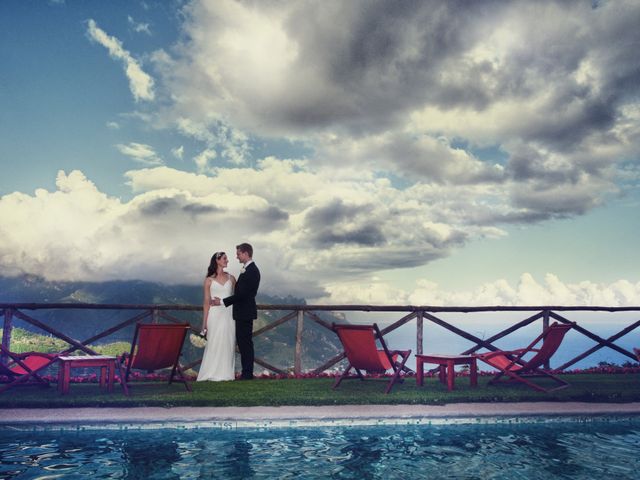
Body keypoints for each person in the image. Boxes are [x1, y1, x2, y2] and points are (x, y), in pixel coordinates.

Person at [212, 243, 260, 380]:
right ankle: (246, 373)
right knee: (244, 343)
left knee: (245, 344)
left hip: (245, 313)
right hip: (242, 313)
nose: (237, 256)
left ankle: (247, 374)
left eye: (238, 253)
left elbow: (242, 295)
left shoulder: (252, 271)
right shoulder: (247, 269)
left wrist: (221, 301)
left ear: (245, 253)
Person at [197, 251, 236, 381]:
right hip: (214, 315)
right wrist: (204, 324)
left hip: (229, 314)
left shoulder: (232, 278)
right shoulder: (209, 280)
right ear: (217, 260)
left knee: (228, 341)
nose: (227, 261)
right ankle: (210, 372)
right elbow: (206, 303)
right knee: (214, 342)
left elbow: (237, 297)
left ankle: (226, 373)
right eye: (225, 258)